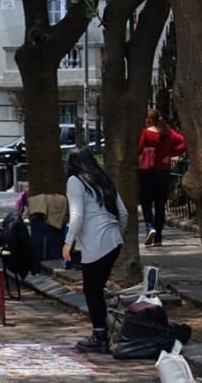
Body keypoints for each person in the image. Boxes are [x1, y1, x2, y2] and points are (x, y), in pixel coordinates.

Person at [62, 147, 127, 354]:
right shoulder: (103, 180)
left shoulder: (75, 181)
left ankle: (100, 336)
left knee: (92, 291)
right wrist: (117, 234)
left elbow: (77, 215)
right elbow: (123, 213)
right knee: (95, 288)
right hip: (114, 241)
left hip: (96, 244)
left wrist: (68, 242)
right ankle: (101, 332)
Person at [138, 109, 186, 246]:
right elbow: (183, 142)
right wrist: (170, 153)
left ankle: (149, 226)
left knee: (146, 202)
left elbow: (139, 148)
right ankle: (158, 236)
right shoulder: (169, 132)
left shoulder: (146, 133)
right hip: (164, 173)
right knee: (160, 205)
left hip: (147, 172)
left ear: (148, 119)